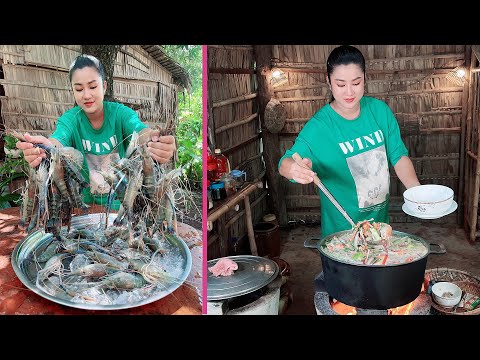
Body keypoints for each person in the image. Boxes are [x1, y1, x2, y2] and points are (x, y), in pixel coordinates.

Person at [278, 45, 420, 238]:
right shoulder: (320, 127)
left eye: (356, 82)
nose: (349, 92)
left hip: (380, 227)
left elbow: (398, 157)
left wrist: (417, 193)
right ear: (329, 82)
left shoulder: (380, 111)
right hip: (342, 233)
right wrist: (294, 169)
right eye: (341, 84)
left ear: (364, 79)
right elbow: (285, 162)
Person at [16, 54, 176, 206]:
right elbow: (58, 140)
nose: (86, 95)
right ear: (72, 91)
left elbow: (141, 132)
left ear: (104, 86)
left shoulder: (121, 114)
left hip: (122, 208)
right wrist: (46, 148)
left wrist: (154, 139)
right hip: (83, 208)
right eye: (79, 89)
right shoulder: (70, 120)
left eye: (93, 86)